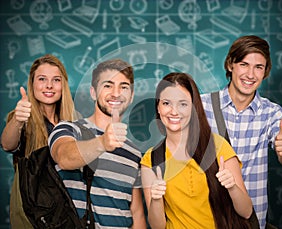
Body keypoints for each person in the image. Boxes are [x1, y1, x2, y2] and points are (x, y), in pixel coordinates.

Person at [200, 35, 282, 229]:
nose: (251, 74)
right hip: (207, 219)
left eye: (258, 67)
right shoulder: (202, 107)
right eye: (244, 64)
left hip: (250, 222)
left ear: (266, 71)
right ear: (230, 65)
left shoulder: (272, 113)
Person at [141, 72, 255, 229]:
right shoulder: (151, 159)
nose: (174, 111)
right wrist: (155, 199)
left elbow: (246, 212)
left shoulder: (218, 146)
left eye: (183, 104)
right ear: (158, 108)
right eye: (166, 103)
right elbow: (157, 226)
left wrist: (232, 187)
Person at [48, 58, 147, 228]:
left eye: (123, 87)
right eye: (107, 85)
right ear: (93, 92)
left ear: (131, 96)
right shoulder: (69, 129)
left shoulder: (134, 152)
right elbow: (63, 157)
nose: (116, 93)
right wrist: (102, 143)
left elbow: (136, 213)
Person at [0, 54, 77, 228]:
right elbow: (7, 144)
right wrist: (18, 121)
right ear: (32, 83)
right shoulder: (21, 117)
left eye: (56, 80)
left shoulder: (73, 123)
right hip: (33, 216)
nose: (49, 85)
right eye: (42, 79)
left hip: (67, 215)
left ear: (63, 85)